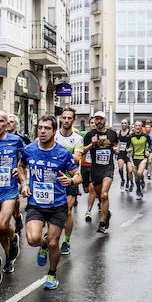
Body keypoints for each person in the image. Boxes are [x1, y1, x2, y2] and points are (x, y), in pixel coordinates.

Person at [19, 115, 77, 290]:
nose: (42, 131)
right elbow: (20, 166)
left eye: (47, 128)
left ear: (54, 131)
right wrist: (24, 183)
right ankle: (42, 246)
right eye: (40, 128)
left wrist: (72, 181)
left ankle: (52, 273)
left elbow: (77, 175)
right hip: (36, 203)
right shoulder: (29, 150)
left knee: (54, 243)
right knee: (32, 239)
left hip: (57, 205)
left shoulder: (63, 153)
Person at [0, 110, 26, 274]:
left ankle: (10, 250)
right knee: (0, 228)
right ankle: (10, 252)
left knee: (2, 224)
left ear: (7, 124)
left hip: (9, 190)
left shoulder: (16, 140)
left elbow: (25, 161)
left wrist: (21, 175)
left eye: (1, 121)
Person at [81, 111, 119, 234]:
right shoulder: (90, 135)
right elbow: (82, 151)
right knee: (99, 196)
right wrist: (91, 144)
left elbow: (116, 145)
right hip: (95, 169)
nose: (98, 121)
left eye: (100, 119)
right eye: (96, 119)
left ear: (105, 120)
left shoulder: (112, 134)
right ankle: (106, 213)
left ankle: (102, 223)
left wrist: (116, 149)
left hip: (108, 168)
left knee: (103, 194)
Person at [53, 107, 83, 255]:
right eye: (64, 117)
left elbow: (76, 159)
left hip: (70, 178)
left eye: (69, 118)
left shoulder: (78, 139)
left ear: (73, 120)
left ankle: (66, 240)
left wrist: (55, 157)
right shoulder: (54, 135)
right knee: (52, 210)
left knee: (68, 211)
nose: (66, 120)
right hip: (52, 179)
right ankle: (52, 234)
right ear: (60, 119)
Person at [6, 113, 29, 233]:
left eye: (12, 122)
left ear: (16, 125)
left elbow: (26, 157)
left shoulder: (21, 139)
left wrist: (19, 169)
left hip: (17, 174)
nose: (9, 124)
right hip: (2, 175)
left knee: (13, 198)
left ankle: (17, 217)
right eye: (7, 121)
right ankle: (16, 217)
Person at [80, 116, 98, 222]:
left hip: (95, 167)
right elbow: (82, 151)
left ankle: (88, 211)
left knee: (91, 188)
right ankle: (97, 194)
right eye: (91, 123)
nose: (93, 125)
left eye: (95, 123)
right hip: (85, 165)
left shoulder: (101, 136)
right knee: (86, 190)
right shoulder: (84, 136)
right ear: (89, 124)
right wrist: (92, 145)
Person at [128, 120, 152, 200]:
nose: (138, 127)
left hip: (142, 158)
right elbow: (127, 148)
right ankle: (138, 189)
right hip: (133, 158)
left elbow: (151, 146)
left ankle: (139, 189)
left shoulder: (146, 136)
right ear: (134, 127)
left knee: (139, 173)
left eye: (139, 126)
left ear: (142, 127)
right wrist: (128, 150)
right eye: (136, 126)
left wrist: (148, 151)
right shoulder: (130, 137)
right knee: (137, 177)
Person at [116, 119, 134, 192]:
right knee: (120, 168)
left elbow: (133, 142)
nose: (123, 124)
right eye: (122, 123)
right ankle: (122, 180)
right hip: (121, 152)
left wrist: (131, 149)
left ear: (127, 124)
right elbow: (117, 142)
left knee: (129, 170)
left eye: (125, 123)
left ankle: (127, 183)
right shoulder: (118, 132)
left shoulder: (130, 132)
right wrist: (117, 148)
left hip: (128, 153)